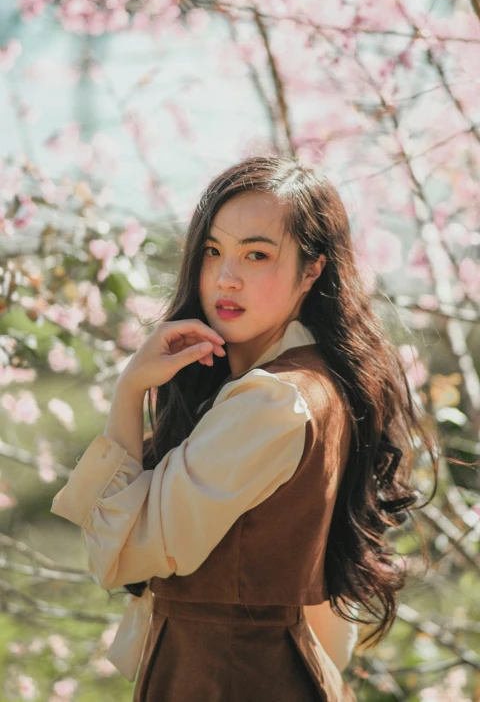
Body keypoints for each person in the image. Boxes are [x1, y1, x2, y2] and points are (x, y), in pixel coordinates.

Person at [51, 155, 439, 701]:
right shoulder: (313, 382)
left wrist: (129, 390)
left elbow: (124, 551)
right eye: (213, 251)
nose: (226, 277)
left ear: (312, 269)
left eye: (257, 254)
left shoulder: (270, 400)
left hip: (226, 678)